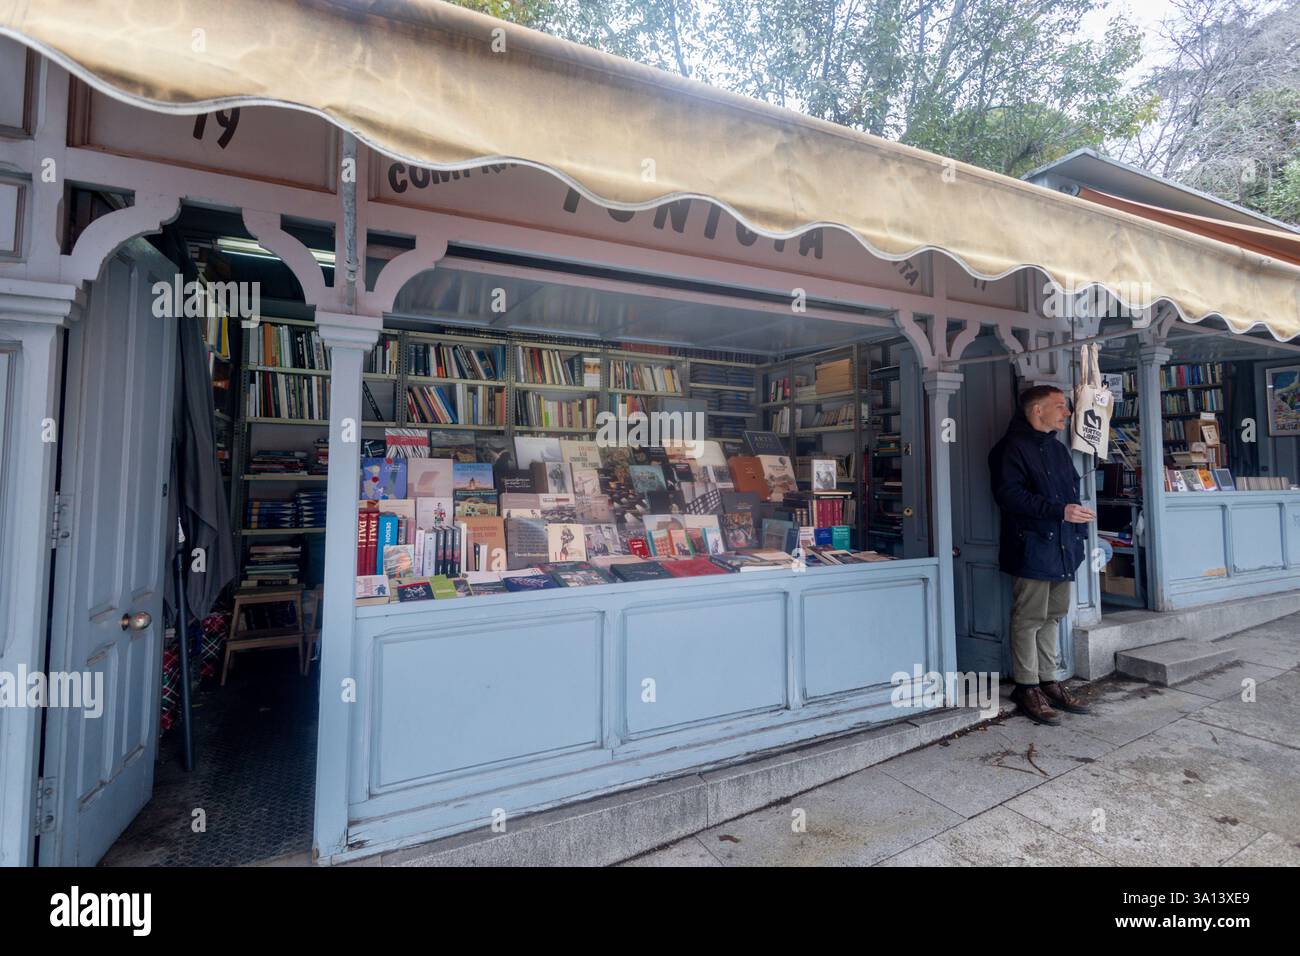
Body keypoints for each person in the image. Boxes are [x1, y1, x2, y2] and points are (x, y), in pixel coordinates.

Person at [988, 385, 1095, 725]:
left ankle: (1049, 680)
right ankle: (1026, 685)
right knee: (1029, 617)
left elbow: (1070, 494)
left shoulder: (1058, 449)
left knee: (1054, 615)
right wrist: (1061, 511)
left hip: (1063, 545)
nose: (1066, 412)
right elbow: (1009, 497)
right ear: (1037, 410)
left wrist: (1075, 522)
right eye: (1060, 406)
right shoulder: (1009, 448)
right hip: (1032, 545)